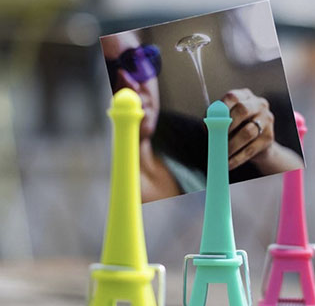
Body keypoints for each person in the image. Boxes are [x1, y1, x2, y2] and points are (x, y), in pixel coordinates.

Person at [101, 31, 302, 203]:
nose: (129, 85)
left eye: (134, 62)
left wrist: (267, 152)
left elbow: (298, 185)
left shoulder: (177, 133)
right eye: (108, 74)